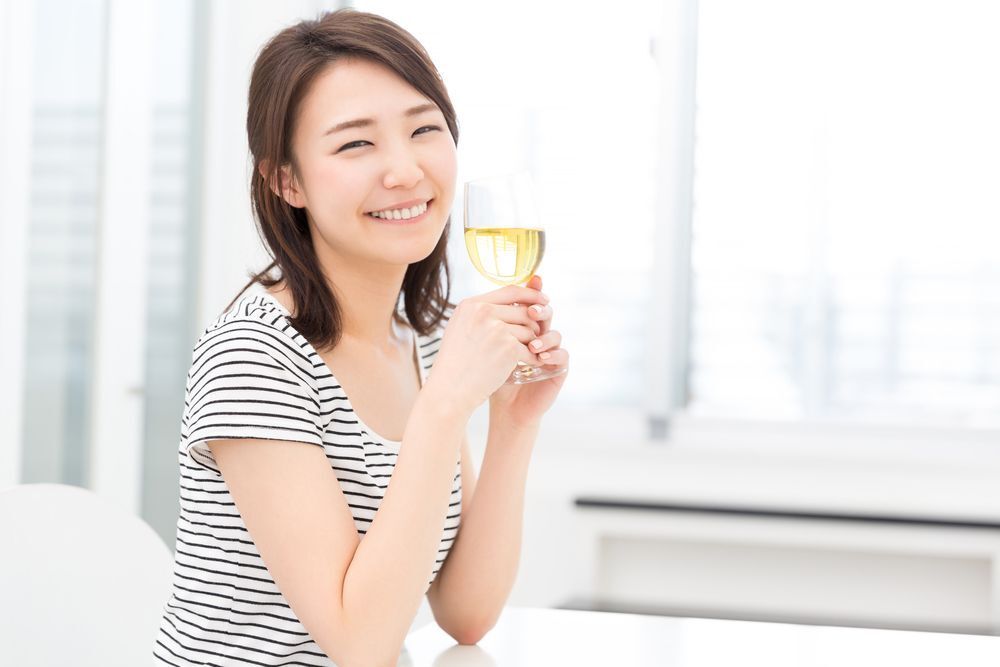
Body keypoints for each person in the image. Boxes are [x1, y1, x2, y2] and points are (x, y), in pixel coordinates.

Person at [153, 9, 569, 666]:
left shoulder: (417, 336)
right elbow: (359, 644)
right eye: (355, 144)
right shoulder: (254, 359)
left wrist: (513, 424)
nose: (404, 170)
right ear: (285, 180)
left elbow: (465, 612)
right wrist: (442, 406)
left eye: (424, 129)